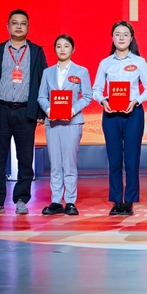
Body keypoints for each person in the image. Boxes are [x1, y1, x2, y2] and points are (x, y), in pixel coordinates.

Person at [0, 9, 47, 215]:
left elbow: (43, 82)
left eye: (23, 23)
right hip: (1, 111)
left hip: (26, 112)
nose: (19, 26)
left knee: (25, 159)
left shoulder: (36, 52)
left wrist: (40, 112)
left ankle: (21, 199)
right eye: (15, 23)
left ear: (28, 27)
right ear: (8, 26)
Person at [91, 21, 147, 216]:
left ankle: (130, 201)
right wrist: (103, 101)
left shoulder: (139, 62)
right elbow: (96, 89)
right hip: (111, 114)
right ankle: (117, 200)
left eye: (125, 34)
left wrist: (136, 101)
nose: (121, 38)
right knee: (114, 158)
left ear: (131, 38)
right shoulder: (105, 63)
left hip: (133, 113)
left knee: (132, 158)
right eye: (117, 34)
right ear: (112, 38)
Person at [36, 34, 92, 216]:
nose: (62, 49)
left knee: (69, 162)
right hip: (53, 122)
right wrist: (49, 110)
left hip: (72, 122)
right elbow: (41, 96)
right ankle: (55, 201)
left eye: (66, 46)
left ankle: (70, 201)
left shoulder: (81, 71)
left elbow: (87, 96)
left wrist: (72, 110)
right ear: (55, 49)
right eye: (59, 46)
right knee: (55, 163)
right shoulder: (48, 72)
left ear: (73, 49)